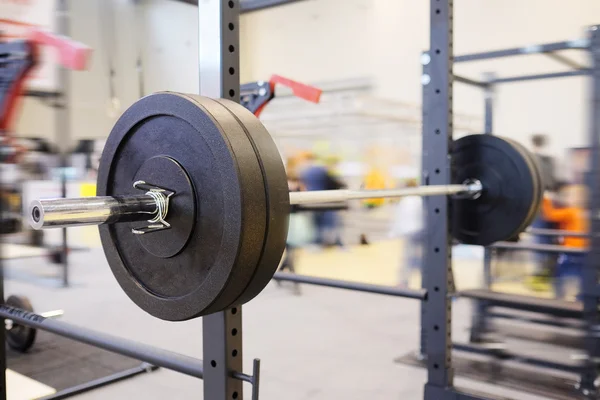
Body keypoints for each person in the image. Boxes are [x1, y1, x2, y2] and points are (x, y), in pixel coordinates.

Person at [541, 184, 588, 300]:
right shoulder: (584, 212)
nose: (564, 198)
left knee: (561, 274)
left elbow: (549, 215)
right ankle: (582, 298)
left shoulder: (571, 212)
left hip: (570, 251)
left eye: (568, 196)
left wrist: (545, 198)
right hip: (583, 251)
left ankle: (559, 296)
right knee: (582, 275)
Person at [528, 134, 559, 289]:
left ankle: (546, 273)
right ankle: (542, 274)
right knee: (541, 239)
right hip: (541, 203)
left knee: (545, 238)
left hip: (545, 203)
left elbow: (550, 181)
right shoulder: (535, 159)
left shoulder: (545, 160)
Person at [389, 179, 425, 287]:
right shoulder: (420, 199)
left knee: (408, 257)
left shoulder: (406, 201)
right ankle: (427, 279)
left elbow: (400, 218)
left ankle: (403, 282)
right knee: (420, 257)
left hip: (411, 232)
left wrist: (393, 232)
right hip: (420, 231)